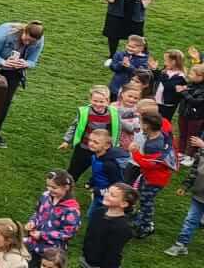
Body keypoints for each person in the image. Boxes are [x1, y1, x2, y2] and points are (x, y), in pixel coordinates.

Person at [0, 20, 45, 132]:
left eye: (31, 42)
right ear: (24, 31)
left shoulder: (39, 41)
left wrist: (25, 63)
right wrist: (3, 62)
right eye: (26, 39)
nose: (27, 43)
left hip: (13, 68)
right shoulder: (4, 33)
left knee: (4, 100)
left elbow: (33, 61)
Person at [132, 103, 176, 237]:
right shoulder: (160, 133)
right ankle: (142, 219)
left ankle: (146, 226)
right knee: (142, 195)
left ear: (146, 126)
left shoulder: (153, 145)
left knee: (147, 202)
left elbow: (147, 164)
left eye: (141, 122)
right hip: (152, 176)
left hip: (154, 179)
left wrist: (134, 152)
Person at [62, 88, 123, 180]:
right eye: (95, 101)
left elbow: (116, 129)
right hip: (84, 147)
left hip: (102, 150)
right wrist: (66, 140)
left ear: (107, 101)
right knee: (74, 171)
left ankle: (96, 187)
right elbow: (74, 126)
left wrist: (115, 144)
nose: (98, 104)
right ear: (90, 100)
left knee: (101, 172)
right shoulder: (85, 112)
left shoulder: (113, 113)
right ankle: (66, 186)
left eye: (101, 101)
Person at [24, 171, 82, 264]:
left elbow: (68, 233)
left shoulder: (71, 210)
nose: (49, 189)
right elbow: (37, 212)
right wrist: (32, 222)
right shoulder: (45, 196)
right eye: (48, 186)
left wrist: (42, 235)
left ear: (66, 188)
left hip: (51, 251)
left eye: (54, 187)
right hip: (33, 243)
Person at [167, 149, 204, 256]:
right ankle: (181, 245)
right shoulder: (201, 152)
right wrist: (185, 186)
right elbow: (194, 171)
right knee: (191, 220)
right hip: (198, 194)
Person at [107, 32, 153, 99]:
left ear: (142, 48)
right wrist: (121, 64)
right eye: (128, 46)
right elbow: (113, 67)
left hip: (131, 89)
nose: (130, 48)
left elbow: (141, 74)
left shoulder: (145, 60)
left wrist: (129, 66)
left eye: (133, 47)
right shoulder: (119, 54)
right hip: (115, 87)